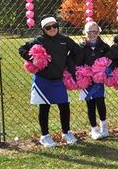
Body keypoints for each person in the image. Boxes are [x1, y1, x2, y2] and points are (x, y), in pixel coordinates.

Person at [19, 15, 82, 148]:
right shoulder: (39, 40)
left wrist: (68, 62)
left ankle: (66, 132)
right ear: (43, 29)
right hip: (43, 79)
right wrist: (34, 59)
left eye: (55, 26)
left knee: (64, 106)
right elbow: (22, 49)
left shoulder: (64, 40)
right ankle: (45, 136)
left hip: (58, 79)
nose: (52, 29)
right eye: (48, 27)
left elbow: (78, 51)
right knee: (44, 107)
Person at [80, 21, 110, 139]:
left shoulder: (104, 47)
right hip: (86, 81)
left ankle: (104, 127)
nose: (92, 34)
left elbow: (110, 60)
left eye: (95, 31)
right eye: (89, 32)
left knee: (100, 102)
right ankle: (94, 129)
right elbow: (75, 61)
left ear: (98, 32)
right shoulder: (80, 47)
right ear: (85, 32)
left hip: (99, 80)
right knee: (90, 104)